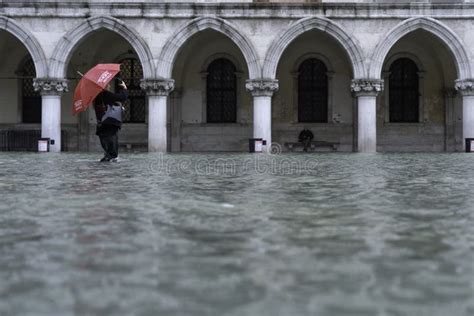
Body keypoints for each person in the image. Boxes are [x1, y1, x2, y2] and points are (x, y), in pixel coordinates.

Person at [94, 78, 128, 162]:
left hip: (102, 125)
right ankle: (110, 157)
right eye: (107, 84)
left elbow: (110, 104)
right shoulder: (104, 94)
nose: (109, 86)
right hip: (109, 123)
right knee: (112, 147)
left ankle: (108, 156)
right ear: (103, 86)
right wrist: (124, 88)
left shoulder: (97, 96)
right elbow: (122, 97)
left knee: (107, 145)